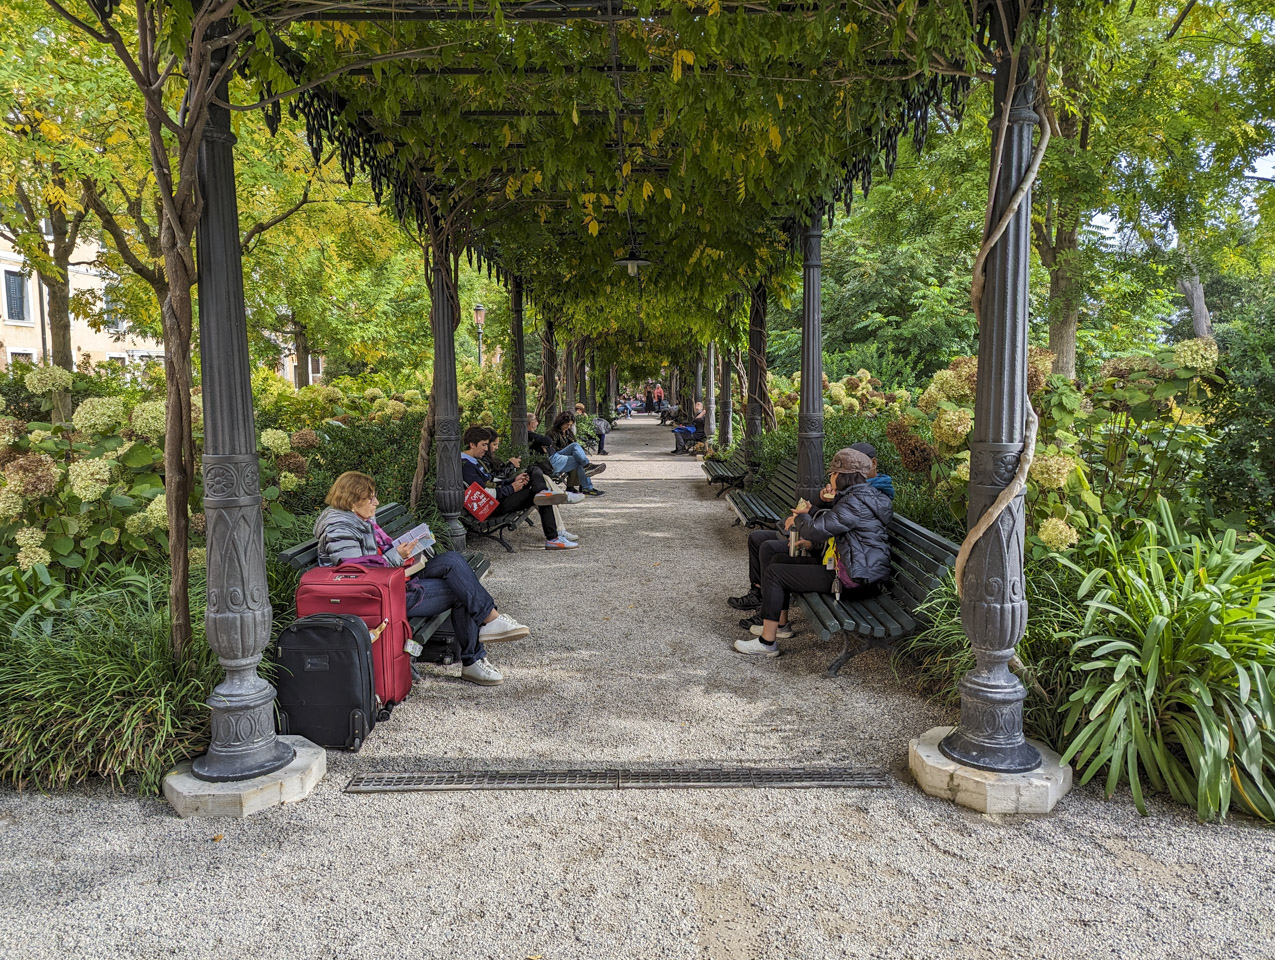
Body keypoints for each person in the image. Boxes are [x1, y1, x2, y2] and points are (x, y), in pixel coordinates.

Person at [314, 470, 522, 686]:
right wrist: (395, 556)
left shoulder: (360, 518)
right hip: (379, 596)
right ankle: (474, 657)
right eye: (370, 497)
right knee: (460, 590)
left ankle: (490, 619)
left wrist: (411, 548)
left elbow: (378, 553)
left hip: (392, 579)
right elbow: (355, 571)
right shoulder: (339, 527)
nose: (376, 502)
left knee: (452, 560)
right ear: (351, 500)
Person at [733, 448, 893, 658]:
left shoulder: (855, 502)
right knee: (777, 560)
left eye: (833, 474)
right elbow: (833, 525)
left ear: (843, 475)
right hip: (852, 568)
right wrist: (810, 514)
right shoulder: (860, 497)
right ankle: (778, 627)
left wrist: (799, 518)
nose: (831, 478)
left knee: (776, 573)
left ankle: (767, 643)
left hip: (854, 578)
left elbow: (815, 530)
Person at [461, 426, 581, 550]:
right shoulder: (466, 465)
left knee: (534, 471)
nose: (486, 449)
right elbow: (484, 494)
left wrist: (514, 480)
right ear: (472, 444)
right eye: (484, 445)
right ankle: (553, 538)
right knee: (539, 496)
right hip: (491, 506)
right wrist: (512, 488)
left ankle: (544, 493)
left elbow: (492, 481)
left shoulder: (473, 461)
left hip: (497, 500)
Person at [546, 411, 606, 496]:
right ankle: (587, 472)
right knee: (575, 446)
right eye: (567, 424)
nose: (568, 426)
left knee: (579, 459)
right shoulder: (552, 432)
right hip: (556, 457)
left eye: (570, 425)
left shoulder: (568, 432)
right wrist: (568, 450)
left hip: (566, 457)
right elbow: (552, 449)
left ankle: (586, 487)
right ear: (561, 422)